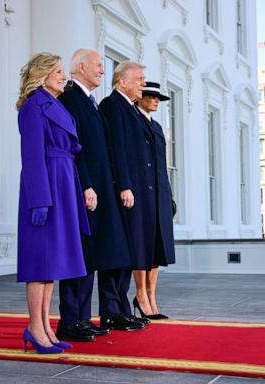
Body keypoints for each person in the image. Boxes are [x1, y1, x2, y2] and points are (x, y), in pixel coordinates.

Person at [57, 49, 145, 343]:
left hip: (101, 188)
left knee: (92, 255)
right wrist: (86, 185)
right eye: (97, 66)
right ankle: (71, 320)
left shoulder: (89, 102)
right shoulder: (70, 97)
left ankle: (83, 318)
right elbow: (75, 145)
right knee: (81, 254)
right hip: (88, 189)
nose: (102, 71)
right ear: (80, 66)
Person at [16, 52, 90, 354]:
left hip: (63, 182)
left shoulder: (54, 104)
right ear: (42, 74)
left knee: (52, 262)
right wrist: (39, 201)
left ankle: (45, 326)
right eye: (58, 71)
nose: (64, 76)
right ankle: (35, 327)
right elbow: (32, 157)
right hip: (46, 187)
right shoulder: (33, 106)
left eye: (63, 71)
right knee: (39, 262)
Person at [100, 67, 176, 320]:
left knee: (156, 246)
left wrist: (168, 195)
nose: (153, 99)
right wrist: (125, 185)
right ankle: (140, 297)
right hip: (137, 190)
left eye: (157, 97)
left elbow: (159, 164)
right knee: (140, 246)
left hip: (156, 191)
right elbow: (120, 151)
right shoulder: (121, 109)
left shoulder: (151, 124)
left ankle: (148, 296)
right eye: (148, 93)